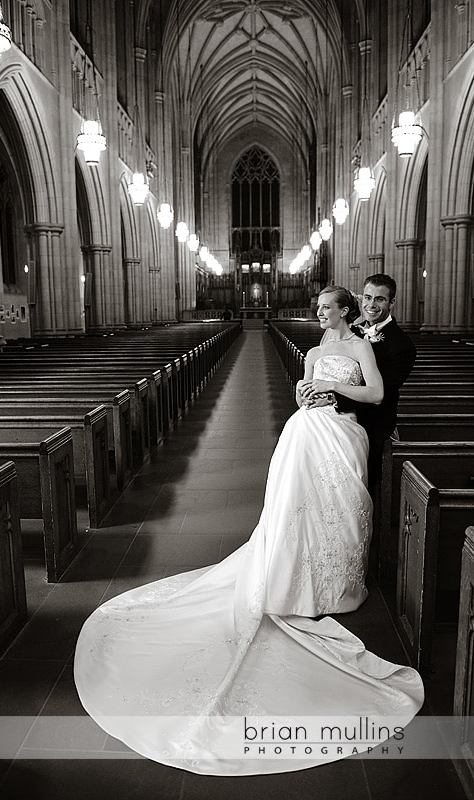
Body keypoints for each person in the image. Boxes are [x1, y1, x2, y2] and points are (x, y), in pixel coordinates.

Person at [74, 286, 424, 776]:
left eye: (326, 308)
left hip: (344, 432)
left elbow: (376, 393)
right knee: (295, 508)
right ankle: (294, 573)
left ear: (344, 311)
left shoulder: (359, 346)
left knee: (341, 510)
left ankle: (337, 582)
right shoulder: (318, 350)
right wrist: (308, 391)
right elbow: (303, 388)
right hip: (308, 430)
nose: (319, 314)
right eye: (319, 308)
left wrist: (334, 390)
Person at [333, 275, 417, 495]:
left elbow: (381, 393)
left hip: (373, 426)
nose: (371, 305)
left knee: (362, 489)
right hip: (339, 422)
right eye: (368, 297)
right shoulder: (352, 332)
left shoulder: (402, 345)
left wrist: (332, 399)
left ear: (391, 302)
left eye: (380, 299)